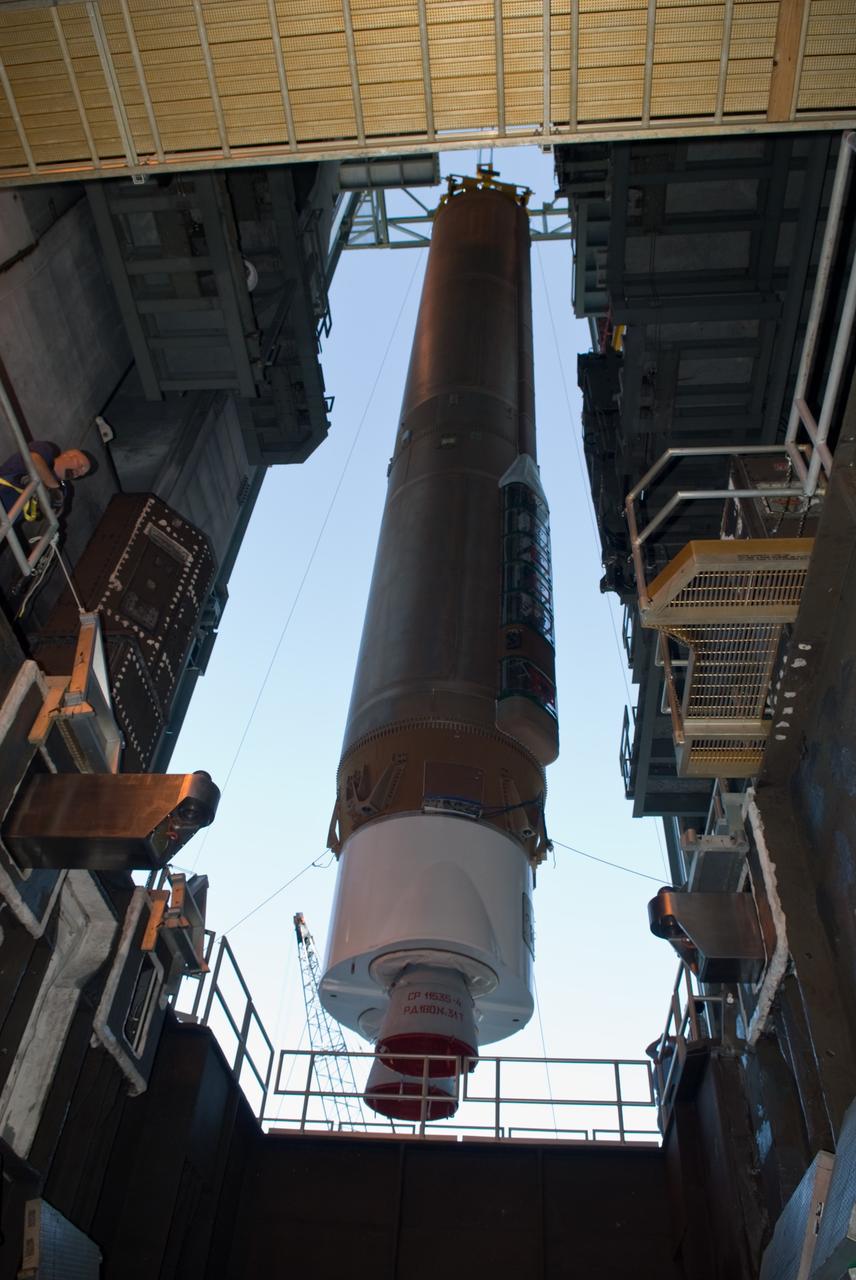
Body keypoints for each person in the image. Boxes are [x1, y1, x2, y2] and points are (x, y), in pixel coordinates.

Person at [0, 441, 94, 524]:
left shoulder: (63, 489)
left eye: (81, 474)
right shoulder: (45, 450)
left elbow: (53, 514)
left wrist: (56, 506)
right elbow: (33, 458)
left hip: (6, 519)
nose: (78, 472)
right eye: (80, 465)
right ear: (69, 455)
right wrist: (53, 489)